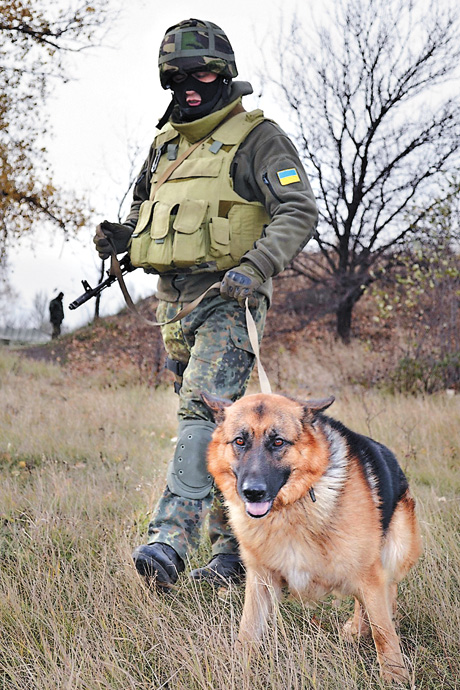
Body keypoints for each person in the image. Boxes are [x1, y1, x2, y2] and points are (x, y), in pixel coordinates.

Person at [93, 18, 318, 591]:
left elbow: (297, 210)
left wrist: (255, 267)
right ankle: (234, 553)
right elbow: (150, 219)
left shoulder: (258, 138)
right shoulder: (165, 144)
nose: (190, 86)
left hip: (229, 301)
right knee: (223, 431)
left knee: (199, 417)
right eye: (177, 77)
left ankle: (168, 542)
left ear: (226, 74)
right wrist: (123, 239)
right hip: (173, 308)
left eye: (204, 73)